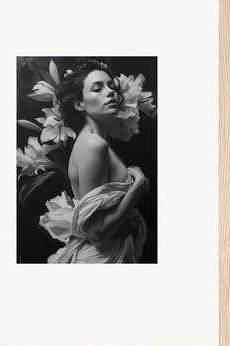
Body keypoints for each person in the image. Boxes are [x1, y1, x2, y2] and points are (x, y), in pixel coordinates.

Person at [39, 59, 150, 263]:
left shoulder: (95, 140)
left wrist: (131, 214)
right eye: (97, 88)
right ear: (79, 104)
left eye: (111, 86)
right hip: (102, 259)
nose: (110, 92)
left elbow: (104, 209)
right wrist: (138, 185)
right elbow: (97, 234)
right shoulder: (93, 145)